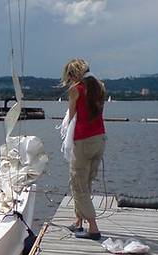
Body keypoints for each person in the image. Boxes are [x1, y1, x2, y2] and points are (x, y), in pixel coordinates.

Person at [61, 58, 106, 240]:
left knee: (78, 184)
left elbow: (72, 116)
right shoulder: (100, 87)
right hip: (99, 139)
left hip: (83, 141)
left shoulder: (76, 89)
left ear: (74, 75)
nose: (69, 80)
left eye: (69, 76)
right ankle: (78, 221)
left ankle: (93, 228)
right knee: (85, 182)